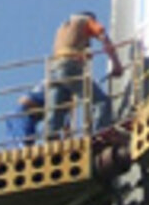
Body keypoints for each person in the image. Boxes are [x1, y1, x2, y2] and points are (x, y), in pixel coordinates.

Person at [44, 10, 119, 139]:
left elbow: (70, 48)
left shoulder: (64, 28)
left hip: (53, 69)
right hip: (68, 66)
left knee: (56, 110)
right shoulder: (86, 21)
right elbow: (102, 35)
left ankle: (51, 140)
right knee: (102, 102)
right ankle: (100, 135)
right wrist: (116, 63)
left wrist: (83, 55)